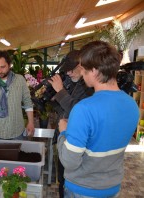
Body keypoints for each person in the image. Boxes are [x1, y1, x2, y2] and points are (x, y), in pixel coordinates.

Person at [57, 40, 139, 198]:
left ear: (94, 71)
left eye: (83, 68)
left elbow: (70, 161)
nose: (81, 72)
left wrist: (63, 132)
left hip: (82, 189)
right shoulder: (131, 105)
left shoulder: (84, 109)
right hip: (112, 187)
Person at [48, 50, 94, 198]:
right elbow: (63, 109)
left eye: (71, 69)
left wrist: (60, 92)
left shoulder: (90, 88)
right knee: (61, 178)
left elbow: (79, 110)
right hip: (63, 137)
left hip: (77, 142)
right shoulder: (69, 81)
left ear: (82, 65)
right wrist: (51, 98)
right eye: (66, 70)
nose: (68, 73)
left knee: (71, 180)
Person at [0, 50, 34, 143]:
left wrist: (31, 122)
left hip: (17, 131)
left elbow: (27, 101)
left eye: (3, 67)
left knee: (17, 156)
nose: (0, 71)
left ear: (9, 65)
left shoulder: (20, 80)